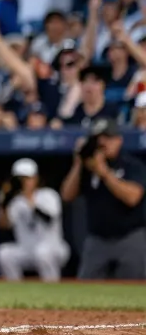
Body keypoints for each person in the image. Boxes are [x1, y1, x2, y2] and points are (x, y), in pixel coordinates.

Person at [60, 118, 146, 279]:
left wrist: (105, 173)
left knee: (134, 289)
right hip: (97, 239)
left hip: (129, 237)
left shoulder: (131, 165)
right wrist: (78, 164)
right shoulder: (88, 168)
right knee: (85, 290)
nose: (103, 142)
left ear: (118, 140)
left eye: (107, 137)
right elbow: (67, 195)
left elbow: (133, 198)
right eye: (99, 138)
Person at [0, 158, 68, 282]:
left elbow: (48, 219)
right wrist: (4, 204)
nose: (24, 183)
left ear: (36, 178)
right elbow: (3, 225)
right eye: (20, 180)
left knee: (42, 253)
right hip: (27, 249)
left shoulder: (48, 195)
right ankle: (15, 292)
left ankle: (53, 290)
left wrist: (29, 200)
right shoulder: (15, 201)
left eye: (27, 178)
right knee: (4, 253)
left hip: (53, 248)